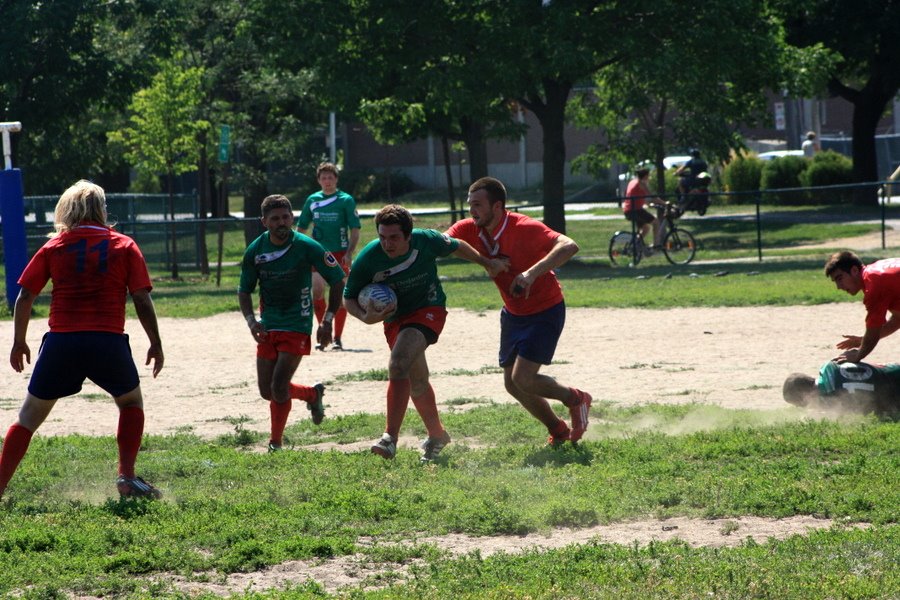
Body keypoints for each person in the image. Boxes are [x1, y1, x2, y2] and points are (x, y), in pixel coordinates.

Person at [1, 180, 164, 500]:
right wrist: (155, 342)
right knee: (130, 403)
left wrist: (19, 341)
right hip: (107, 342)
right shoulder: (124, 245)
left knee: (28, 417)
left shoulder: (54, 246)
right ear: (102, 209)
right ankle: (126, 476)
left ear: (66, 209)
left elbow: (25, 296)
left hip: (62, 343)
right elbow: (141, 298)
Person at [343, 204, 507, 462]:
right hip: (395, 318)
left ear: (408, 235)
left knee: (398, 364)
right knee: (416, 380)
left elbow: (457, 246)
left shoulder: (426, 240)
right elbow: (349, 297)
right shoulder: (369, 258)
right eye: (382, 237)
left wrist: (487, 263)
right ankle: (437, 435)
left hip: (428, 308)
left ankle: (389, 439)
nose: (387, 244)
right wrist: (365, 316)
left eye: (394, 237)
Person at [446, 177, 593, 446]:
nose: (471, 211)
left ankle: (576, 399)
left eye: (477, 205)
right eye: (470, 204)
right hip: (513, 313)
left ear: (497, 206)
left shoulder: (524, 227)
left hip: (545, 309)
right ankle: (559, 430)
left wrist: (530, 274)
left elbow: (569, 246)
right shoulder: (471, 228)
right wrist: (485, 262)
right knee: (512, 384)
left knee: (523, 378)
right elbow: (444, 243)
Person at [238, 194, 346, 452]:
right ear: (264, 222)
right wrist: (251, 321)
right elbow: (244, 290)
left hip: (297, 324)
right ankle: (311, 394)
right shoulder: (256, 250)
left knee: (278, 386)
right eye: (275, 219)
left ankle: (275, 443)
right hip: (268, 325)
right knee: (267, 390)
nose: (281, 223)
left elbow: (337, 280)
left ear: (292, 218)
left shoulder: (307, 246)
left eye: (285, 217)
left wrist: (327, 320)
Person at [298, 162, 361, 351]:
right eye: (323, 178)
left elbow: (355, 229)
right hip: (318, 254)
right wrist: (298, 250)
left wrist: (349, 253)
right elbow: (301, 228)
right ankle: (323, 331)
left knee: (340, 296)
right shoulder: (312, 200)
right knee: (317, 291)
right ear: (318, 180)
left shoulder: (345, 200)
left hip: (340, 254)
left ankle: (337, 338)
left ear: (336, 179)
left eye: (330, 177)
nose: (327, 181)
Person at [825, 251, 900, 364]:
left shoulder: (873, 285)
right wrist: (863, 340)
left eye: (840, 278)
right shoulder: (875, 273)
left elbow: (873, 331)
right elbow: (897, 319)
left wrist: (858, 355)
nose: (838, 287)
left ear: (854, 270)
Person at [783, 360, 900, 416]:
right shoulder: (830, 367)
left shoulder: (829, 397)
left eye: (800, 404)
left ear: (805, 395)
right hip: (894, 370)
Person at [622, 168, 663, 248]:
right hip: (635, 210)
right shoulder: (641, 184)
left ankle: (635, 245)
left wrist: (648, 204)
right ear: (645, 176)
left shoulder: (633, 181)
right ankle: (656, 245)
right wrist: (665, 203)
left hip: (629, 210)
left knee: (646, 228)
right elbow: (652, 197)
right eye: (648, 176)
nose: (649, 177)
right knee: (656, 222)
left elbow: (638, 195)